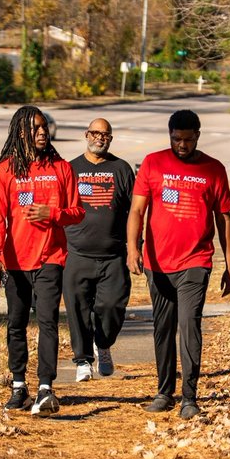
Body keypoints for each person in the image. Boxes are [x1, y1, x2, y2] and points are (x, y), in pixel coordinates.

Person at [127, 109, 230, 420]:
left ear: (198, 136)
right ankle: (164, 392)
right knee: (163, 328)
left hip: (196, 261)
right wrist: (132, 249)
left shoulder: (214, 169)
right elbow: (137, 211)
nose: (182, 145)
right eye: (176, 139)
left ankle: (190, 396)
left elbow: (223, 218)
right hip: (158, 262)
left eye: (188, 140)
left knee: (189, 326)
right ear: (170, 136)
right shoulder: (153, 162)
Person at [0, 106, 84, 416]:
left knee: (47, 322)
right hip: (15, 261)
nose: (42, 132)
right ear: (20, 133)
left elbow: (77, 212)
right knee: (16, 324)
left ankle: (45, 387)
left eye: (44, 127)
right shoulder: (5, 171)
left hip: (50, 258)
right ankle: (19, 387)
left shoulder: (61, 168)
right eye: (35, 128)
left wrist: (53, 214)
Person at [63, 117, 136, 382]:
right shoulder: (70, 169)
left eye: (105, 135)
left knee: (113, 306)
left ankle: (103, 344)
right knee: (78, 308)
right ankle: (83, 360)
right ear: (86, 135)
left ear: (111, 139)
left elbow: (135, 211)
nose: (99, 138)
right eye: (95, 133)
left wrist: (135, 247)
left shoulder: (122, 168)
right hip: (77, 252)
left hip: (113, 254)